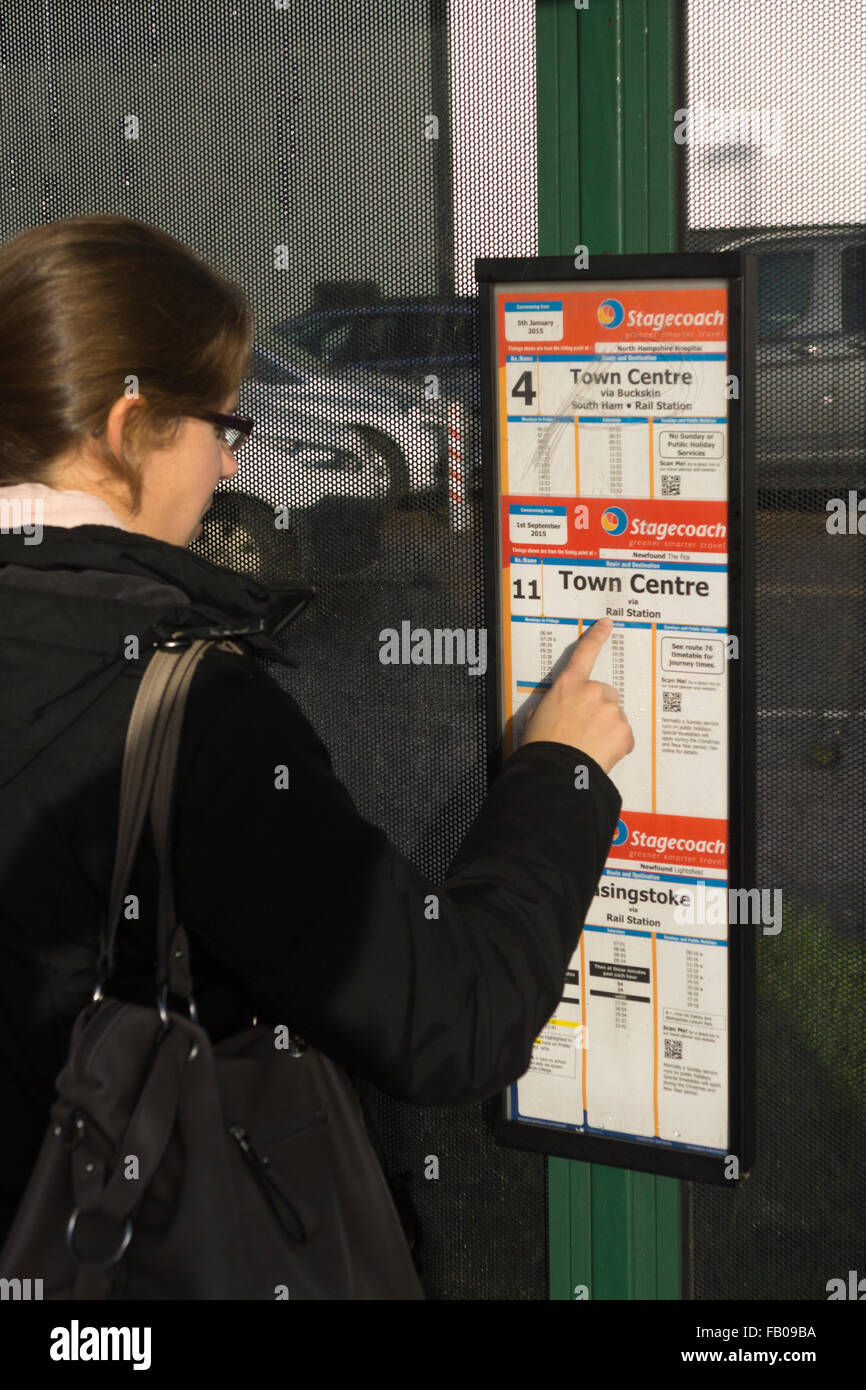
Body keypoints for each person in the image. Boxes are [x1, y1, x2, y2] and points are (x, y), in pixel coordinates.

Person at [0, 214, 634, 1265]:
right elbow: (449, 1019)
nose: (221, 467)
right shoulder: (185, 706)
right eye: (220, 427)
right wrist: (558, 774)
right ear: (127, 425)